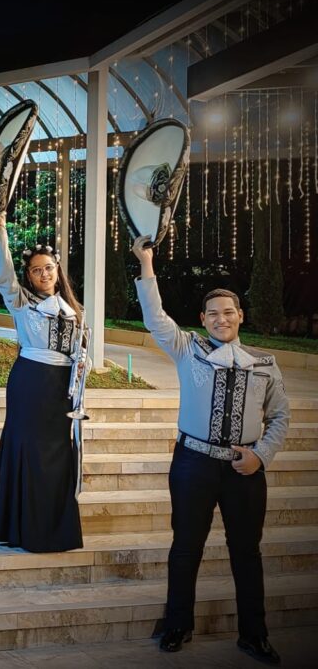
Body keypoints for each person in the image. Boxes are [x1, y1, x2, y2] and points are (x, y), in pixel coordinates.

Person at [132, 235, 289, 664]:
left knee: (247, 552)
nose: (222, 319)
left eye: (229, 312)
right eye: (213, 313)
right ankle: (177, 625)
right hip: (192, 464)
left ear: (240, 316)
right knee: (186, 546)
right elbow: (154, 316)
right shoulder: (188, 350)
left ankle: (253, 634)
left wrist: (262, 456)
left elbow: (280, 418)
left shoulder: (265, 364)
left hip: (245, 471)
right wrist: (147, 262)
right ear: (203, 319)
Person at [0, 208, 84, 553]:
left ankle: (56, 530)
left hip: (62, 389)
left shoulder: (73, 310)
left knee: (58, 453)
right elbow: (2, 274)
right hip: (30, 383)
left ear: (57, 272)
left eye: (49, 268)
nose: (43, 273)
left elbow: (78, 351)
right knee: (28, 451)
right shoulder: (21, 302)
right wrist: (0, 230)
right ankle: (24, 530)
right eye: (36, 269)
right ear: (28, 275)